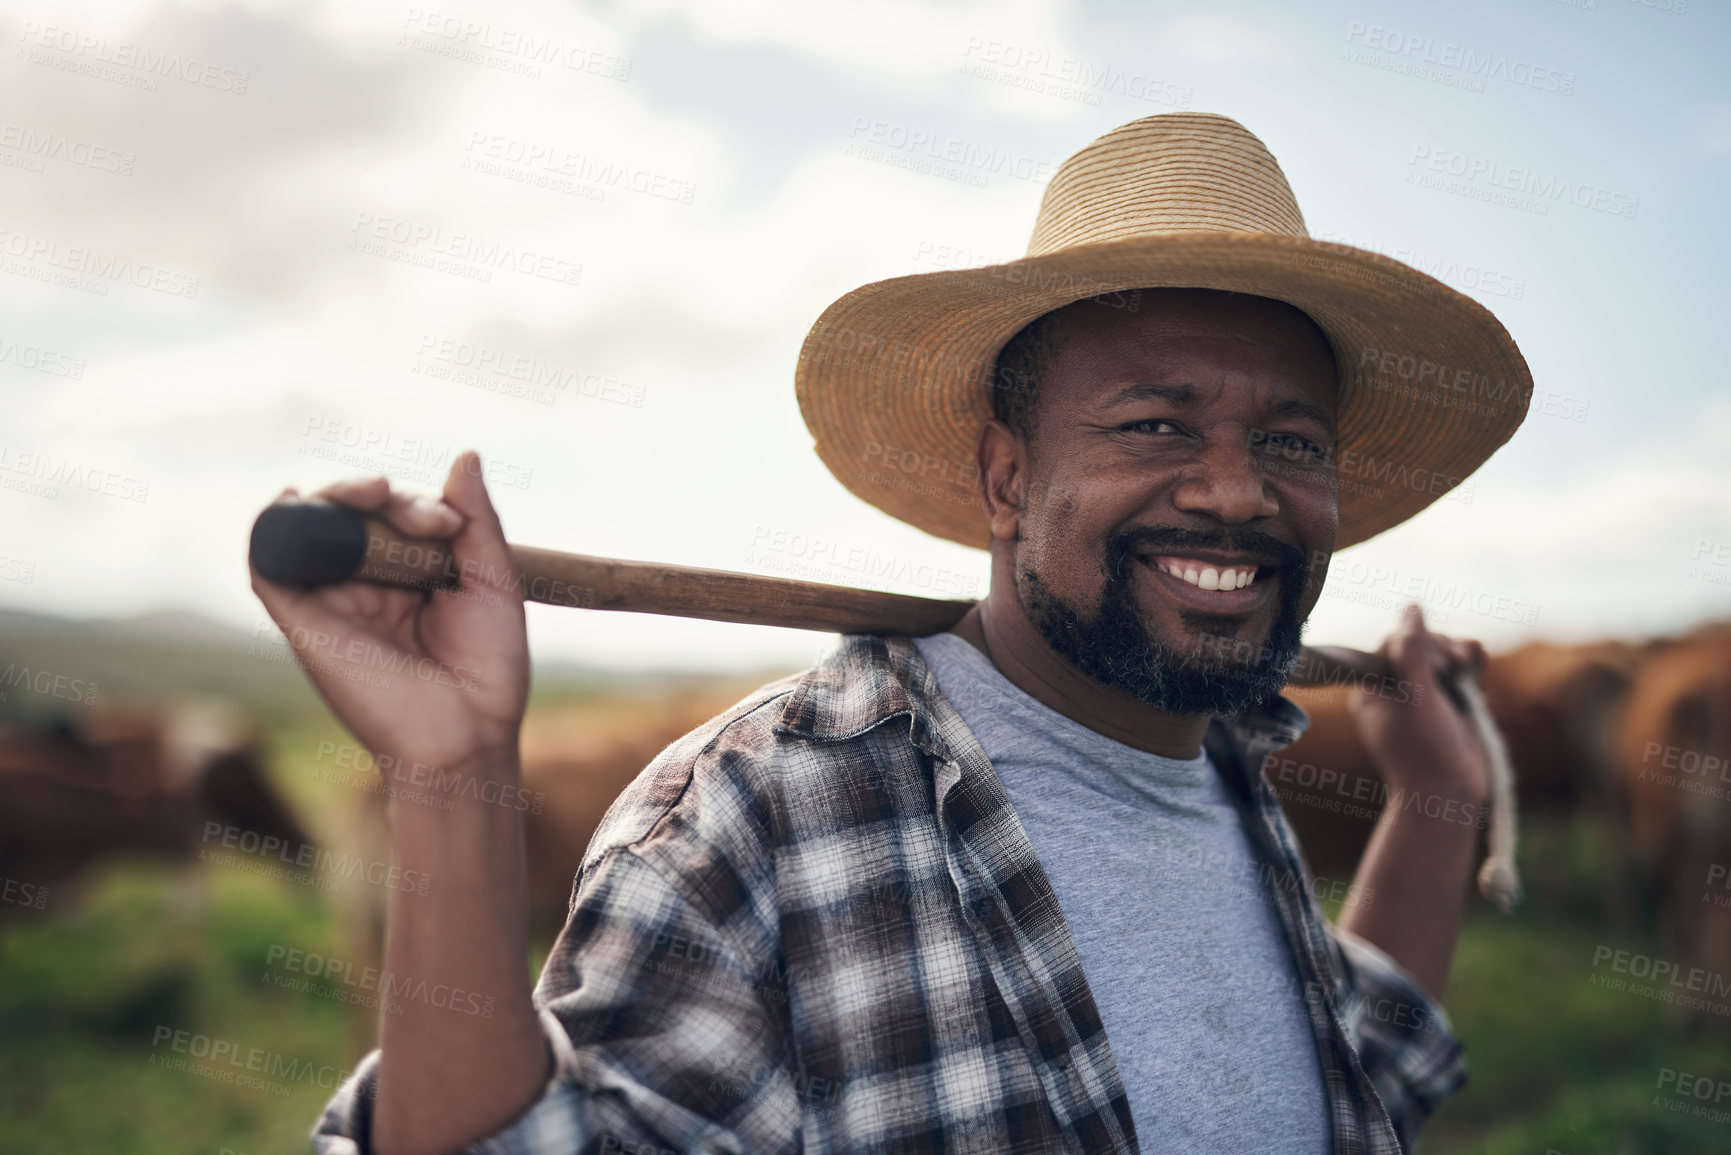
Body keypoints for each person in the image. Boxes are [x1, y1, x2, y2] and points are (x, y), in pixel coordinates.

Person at [254, 113, 1530, 1155]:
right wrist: (451, 771)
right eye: (1155, 424)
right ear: (1006, 479)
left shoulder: (1227, 775)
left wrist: (1435, 807)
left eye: (1290, 444)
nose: (1236, 491)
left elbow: (1350, 1084)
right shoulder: (763, 814)